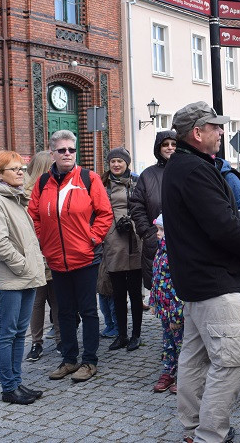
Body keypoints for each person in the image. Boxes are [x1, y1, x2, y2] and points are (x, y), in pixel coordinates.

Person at [161, 101, 240, 443]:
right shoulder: (194, 169)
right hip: (213, 282)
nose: (221, 132)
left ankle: (194, 429)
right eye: (215, 127)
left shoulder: (182, 165)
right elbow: (222, 225)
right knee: (229, 362)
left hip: (197, 281)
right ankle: (209, 435)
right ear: (196, 133)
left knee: (194, 357)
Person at [29, 130, 113, 383]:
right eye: (62, 150)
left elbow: (105, 213)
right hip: (56, 259)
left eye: (71, 150)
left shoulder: (89, 178)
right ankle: (68, 359)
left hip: (85, 258)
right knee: (64, 312)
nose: (67, 154)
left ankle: (89, 361)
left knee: (88, 311)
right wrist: (44, 241)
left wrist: (92, 239)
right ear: (52, 153)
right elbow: (34, 215)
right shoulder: (43, 183)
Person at [0, 150, 46, 404]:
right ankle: (8, 388)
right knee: (7, 334)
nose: (21, 172)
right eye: (15, 169)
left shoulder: (15, 198)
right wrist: (23, 266)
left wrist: (32, 266)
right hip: (11, 279)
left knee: (20, 333)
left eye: (22, 168)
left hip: (26, 277)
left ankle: (17, 382)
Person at [101, 147, 143, 352]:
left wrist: (134, 223)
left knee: (135, 292)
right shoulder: (103, 184)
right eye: (113, 161)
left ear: (127, 163)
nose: (116, 164)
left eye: (120, 161)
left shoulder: (137, 181)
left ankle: (136, 334)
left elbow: (143, 206)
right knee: (118, 292)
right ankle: (122, 334)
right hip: (113, 240)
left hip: (134, 238)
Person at [24, 150, 61, 362]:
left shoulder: (54, 188)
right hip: (37, 254)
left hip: (52, 251)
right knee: (39, 301)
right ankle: (38, 342)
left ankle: (56, 340)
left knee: (54, 299)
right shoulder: (26, 195)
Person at [131, 130, 176, 300]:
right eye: (165, 144)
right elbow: (137, 205)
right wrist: (147, 231)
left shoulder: (187, 169)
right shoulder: (148, 175)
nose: (170, 148)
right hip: (156, 240)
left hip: (183, 240)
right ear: (158, 148)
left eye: (174, 144)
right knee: (162, 294)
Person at [149, 214, 183, 394]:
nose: (158, 233)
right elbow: (156, 279)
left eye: (161, 230)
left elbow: (179, 286)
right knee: (168, 343)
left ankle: (185, 375)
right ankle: (168, 371)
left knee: (182, 344)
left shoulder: (177, 254)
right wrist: (153, 301)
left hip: (176, 311)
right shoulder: (159, 252)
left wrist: (177, 315)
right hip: (164, 310)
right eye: (157, 229)